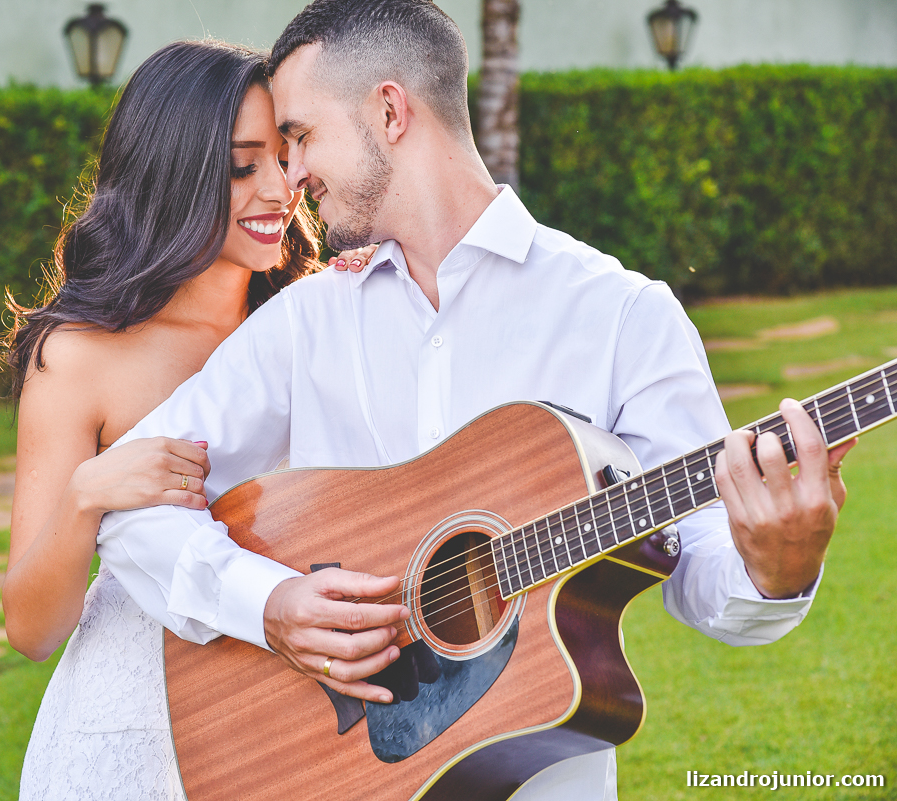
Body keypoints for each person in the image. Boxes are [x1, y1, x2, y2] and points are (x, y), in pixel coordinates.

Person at [95, 1, 857, 798]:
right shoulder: (306, 323)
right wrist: (269, 602)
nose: (290, 175)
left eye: (299, 137)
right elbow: (134, 504)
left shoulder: (620, 315)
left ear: (389, 112)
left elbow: (701, 571)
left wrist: (780, 565)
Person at [0, 40, 374, 800]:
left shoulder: (320, 317)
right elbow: (32, 630)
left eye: (286, 155)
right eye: (245, 166)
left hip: (301, 714)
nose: (281, 189)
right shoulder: (77, 358)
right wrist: (85, 494)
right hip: (133, 727)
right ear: (175, 171)